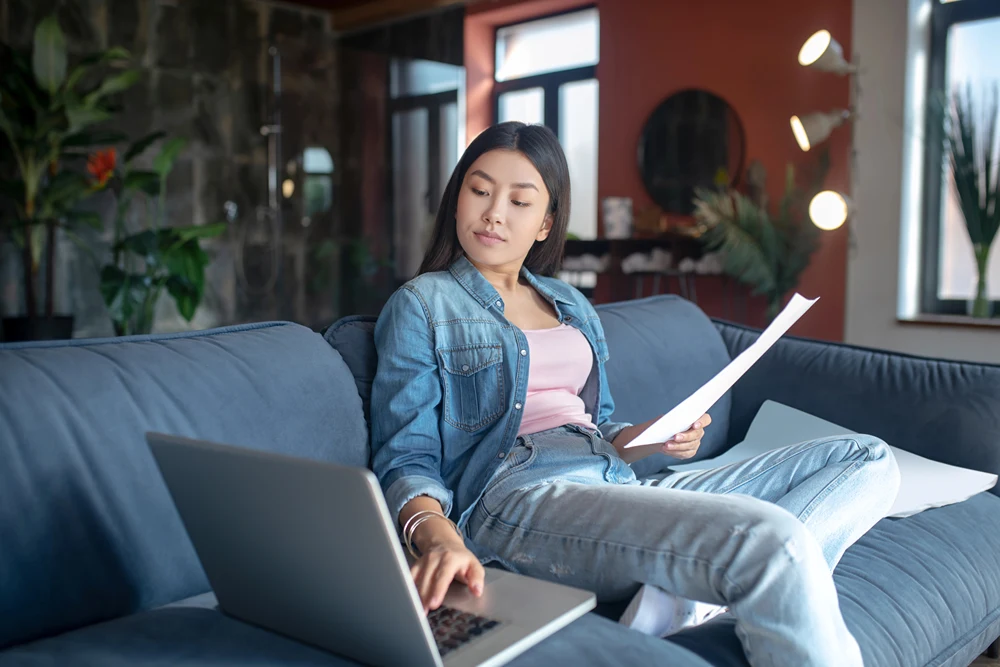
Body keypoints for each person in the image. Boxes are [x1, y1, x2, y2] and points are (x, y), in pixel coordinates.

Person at [369, 121, 900, 667]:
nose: (494, 213)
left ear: (547, 222)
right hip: (519, 498)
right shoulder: (422, 305)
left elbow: (599, 426)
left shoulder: (570, 304)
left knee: (869, 460)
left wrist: (653, 438)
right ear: (458, 197)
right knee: (771, 540)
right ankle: (695, 582)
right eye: (479, 190)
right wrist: (437, 538)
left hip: (610, 476)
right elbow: (404, 457)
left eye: (520, 201)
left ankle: (681, 589)